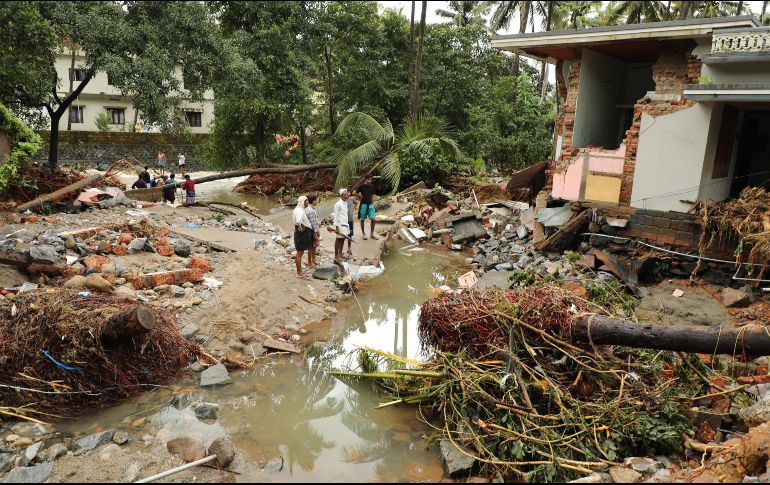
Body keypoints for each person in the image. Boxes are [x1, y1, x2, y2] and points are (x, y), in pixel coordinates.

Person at [293, 196, 313, 279]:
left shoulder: (297, 209)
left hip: (300, 232)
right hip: (301, 233)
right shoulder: (300, 210)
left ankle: (299, 270)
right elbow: (298, 220)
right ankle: (299, 272)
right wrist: (301, 226)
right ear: (303, 202)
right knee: (300, 252)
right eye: (307, 201)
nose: (308, 202)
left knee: (300, 252)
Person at [354, 175, 377, 240]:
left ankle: (372, 234)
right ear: (365, 179)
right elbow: (354, 193)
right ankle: (363, 233)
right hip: (363, 205)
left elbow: (372, 195)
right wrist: (360, 196)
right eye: (369, 179)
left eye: (371, 179)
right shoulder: (361, 186)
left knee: (373, 219)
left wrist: (373, 204)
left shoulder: (372, 186)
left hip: (370, 205)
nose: (370, 180)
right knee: (362, 219)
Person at [333, 188, 350, 264]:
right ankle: (336, 255)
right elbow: (336, 216)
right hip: (339, 225)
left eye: (347, 194)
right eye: (345, 195)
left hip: (345, 224)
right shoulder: (338, 204)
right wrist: (336, 227)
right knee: (338, 239)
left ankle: (340, 253)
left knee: (343, 239)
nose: (346, 196)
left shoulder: (345, 203)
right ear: (341, 195)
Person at [305, 194, 321, 269]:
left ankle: (313, 260)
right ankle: (310, 262)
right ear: (313, 201)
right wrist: (315, 234)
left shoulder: (310, 208)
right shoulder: (310, 210)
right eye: (316, 200)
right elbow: (312, 223)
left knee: (313, 246)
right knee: (311, 247)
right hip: (312, 231)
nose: (317, 201)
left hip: (312, 230)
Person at [346, 192, 358, 257]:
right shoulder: (343, 201)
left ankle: (349, 249)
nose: (348, 193)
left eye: (348, 192)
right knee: (343, 235)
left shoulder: (351, 199)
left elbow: (356, 203)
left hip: (350, 220)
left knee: (350, 235)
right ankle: (340, 251)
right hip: (344, 220)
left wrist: (353, 208)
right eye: (346, 192)